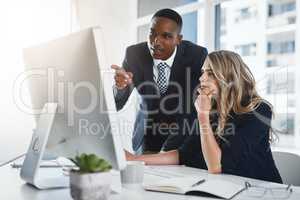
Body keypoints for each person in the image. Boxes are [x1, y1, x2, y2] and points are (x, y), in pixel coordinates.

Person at [126, 50, 282, 183]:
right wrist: (135, 160)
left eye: (210, 73)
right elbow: (183, 154)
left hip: (261, 191)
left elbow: (216, 167)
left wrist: (203, 117)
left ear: (229, 78)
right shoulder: (211, 109)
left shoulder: (259, 110)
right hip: (226, 187)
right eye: (203, 72)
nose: (201, 79)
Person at [111, 8, 207, 153]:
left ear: (178, 39)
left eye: (166, 36)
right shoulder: (134, 54)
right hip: (148, 137)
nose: (156, 42)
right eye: (152, 33)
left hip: (185, 137)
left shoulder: (196, 55)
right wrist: (120, 87)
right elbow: (117, 103)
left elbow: (198, 101)